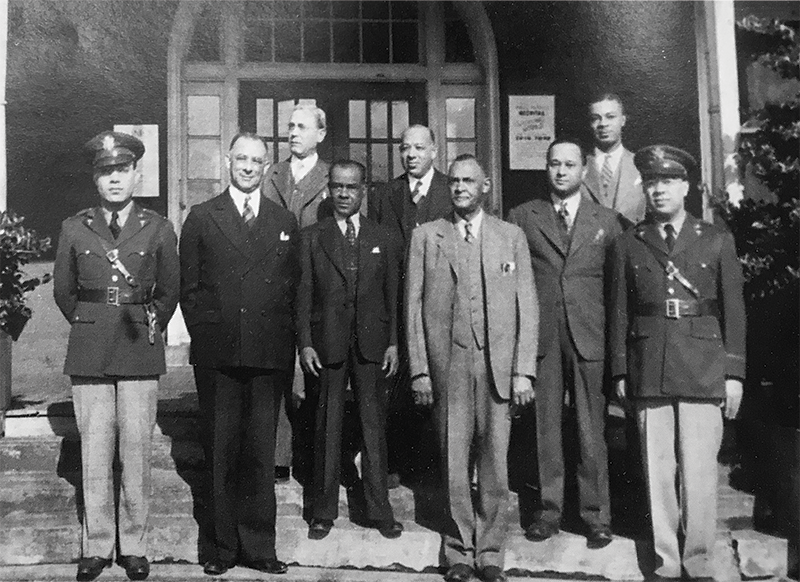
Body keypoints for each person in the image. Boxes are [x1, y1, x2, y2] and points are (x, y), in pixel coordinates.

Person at [609, 145, 745, 580]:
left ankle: (699, 560)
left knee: (701, 473)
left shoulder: (715, 238)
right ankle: (667, 562)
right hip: (649, 363)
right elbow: (618, 312)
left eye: (667, 181)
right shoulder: (627, 243)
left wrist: (735, 373)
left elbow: (734, 311)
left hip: (704, 365)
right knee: (658, 472)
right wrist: (620, 370)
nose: (659, 190)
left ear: (685, 186)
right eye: (651, 183)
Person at [54, 131, 179, 582]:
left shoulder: (158, 226)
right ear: (95, 178)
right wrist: (91, 322)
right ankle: (97, 546)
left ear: (136, 175)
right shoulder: (74, 226)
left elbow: (169, 291)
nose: (114, 180)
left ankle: (135, 546)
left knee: (136, 450)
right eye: (105, 171)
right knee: (95, 449)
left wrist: (148, 324)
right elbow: (64, 292)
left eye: (121, 171)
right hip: (89, 347)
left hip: (137, 346)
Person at [406, 154, 539, 582]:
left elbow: (527, 307)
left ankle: (492, 552)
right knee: (454, 458)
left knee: (495, 461)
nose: (461, 187)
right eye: (455, 181)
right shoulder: (428, 236)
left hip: (497, 364)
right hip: (450, 364)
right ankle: (459, 550)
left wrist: (523, 370)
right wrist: (420, 369)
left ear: (486, 187)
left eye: (469, 181)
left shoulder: (510, 236)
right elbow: (413, 307)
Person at [179, 132, 299, 576]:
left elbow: (292, 288)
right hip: (219, 353)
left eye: (257, 161)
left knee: (259, 452)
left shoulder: (282, 219)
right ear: (227, 162)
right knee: (220, 451)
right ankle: (220, 547)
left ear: (268, 167)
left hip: (267, 354)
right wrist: (211, 335)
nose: (249, 167)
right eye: (241, 159)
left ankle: (259, 547)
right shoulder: (203, 217)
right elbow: (188, 291)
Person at [509, 137, 626, 548]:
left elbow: (617, 295)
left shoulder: (607, 222)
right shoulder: (523, 217)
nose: (561, 171)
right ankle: (547, 511)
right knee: (545, 428)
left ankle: (596, 516)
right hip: (542, 337)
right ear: (546, 169)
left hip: (589, 336)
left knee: (591, 427)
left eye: (569, 164)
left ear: (583, 170)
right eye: (554, 164)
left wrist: (617, 354)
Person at [297, 160, 403, 540]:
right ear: (329, 189)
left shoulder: (385, 237)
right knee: (327, 425)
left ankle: (379, 510)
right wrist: (305, 343)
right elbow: (303, 295)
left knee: (374, 427)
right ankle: (322, 511)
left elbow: (394, 296)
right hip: (327, 344)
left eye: (352, 187)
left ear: (363, 191)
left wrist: (393, 342)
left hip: (373, 344)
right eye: (338, 187)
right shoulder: (312, 237)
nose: (344, 194)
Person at [368, 124, 453, 486]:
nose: (411, 155)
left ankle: (436, 465)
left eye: (419, 148)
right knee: (398, 382)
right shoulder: (387, 195)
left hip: (440, 303)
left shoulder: (452, 191)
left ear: (435, 151)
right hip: (397, 301)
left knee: (439, 379)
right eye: (405, 148)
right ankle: (396, 462)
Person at [262, 104, 332, 483]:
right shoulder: (271, 175)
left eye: (302, 127)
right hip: (275, 289)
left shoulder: (331, 178)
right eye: (290, 126)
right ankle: (279, 457)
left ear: (320, 134)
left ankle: (312, 458)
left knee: (313, 376)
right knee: (277, 373)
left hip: (318, 291)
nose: (293, 133)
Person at [582, 93, 645, 225]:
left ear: (623, 120)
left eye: (610, 117)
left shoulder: (641, 165)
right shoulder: (578, 165)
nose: (603, 124)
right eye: (596, 118)